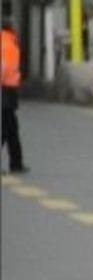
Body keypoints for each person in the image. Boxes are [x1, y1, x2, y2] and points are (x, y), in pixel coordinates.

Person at [1, 18, 27, 174]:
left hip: (7, 91)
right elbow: (3, 67)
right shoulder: (8, 45)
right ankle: (16, 163)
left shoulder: (9, 42)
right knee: (5, 128)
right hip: (5, 90)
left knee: (11, 129)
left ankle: (16, 163)